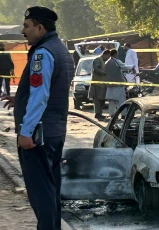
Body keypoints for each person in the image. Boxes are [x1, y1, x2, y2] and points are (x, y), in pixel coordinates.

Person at [0, 6, 74, 230]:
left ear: (40, 28)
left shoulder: (42, 53)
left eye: (27, 26)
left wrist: (25, 131)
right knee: (50, 190)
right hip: (54, 130)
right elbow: (50, 90)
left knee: (41, 193)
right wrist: (19, 100)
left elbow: (41, 96)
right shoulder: (60, 49)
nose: (23, 31)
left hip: (38, 135)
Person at [105, 49, 135, 117]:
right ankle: (123, 114)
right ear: (115, 54)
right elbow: (124, 67)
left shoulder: (107, 62)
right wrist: (133, 66)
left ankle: (112, 114)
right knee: (121, 100)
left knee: (112, 100)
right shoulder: (116, 61)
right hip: (118, 84)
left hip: (110, 85)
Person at [89, 49, 110, 120]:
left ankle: (99, 113)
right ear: (105, 54)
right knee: (97, 100)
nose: (108, 58)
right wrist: (104, 73)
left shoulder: (104, 61)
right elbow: (96, 69)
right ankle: (97, 114)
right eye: (108, 56)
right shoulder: (97, 60)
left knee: (102, 100)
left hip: (102, 84)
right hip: (97, 84)